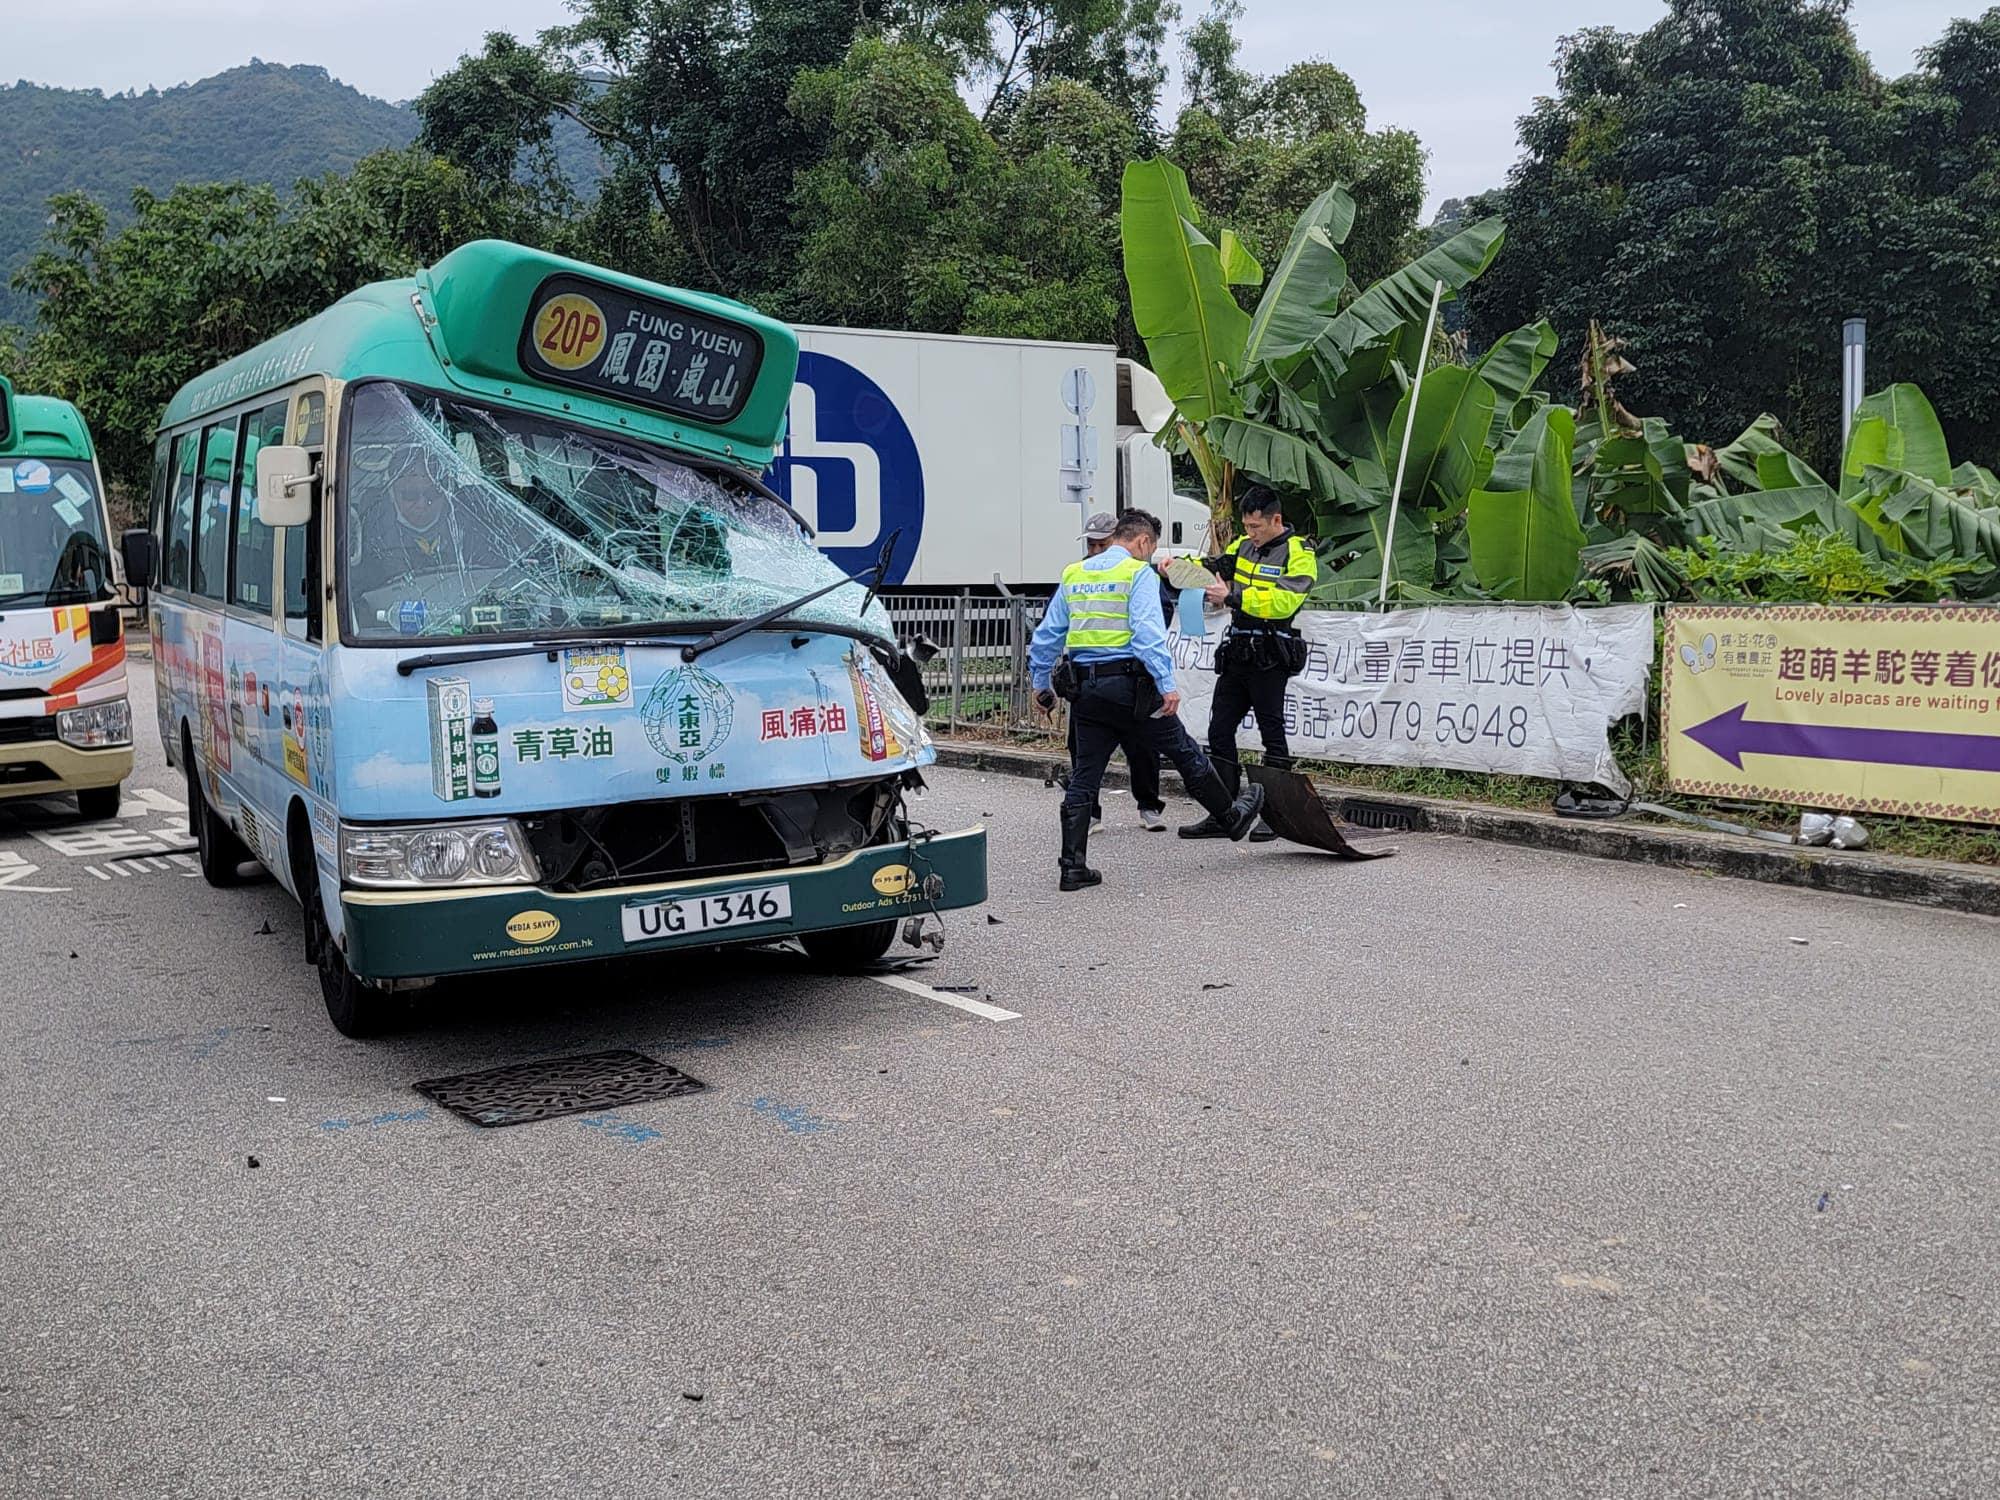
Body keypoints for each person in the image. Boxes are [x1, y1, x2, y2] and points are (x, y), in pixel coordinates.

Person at [1029, 511, 1265, 891]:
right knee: (1185, 751)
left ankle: (1073, 867)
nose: (1148, 554)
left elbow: (1046, 637)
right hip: (1132, 689)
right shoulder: (1137, 574)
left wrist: (1041, 686)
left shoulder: (1074, 573)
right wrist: (1167, 683)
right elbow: (1147, 633)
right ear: (1142, 542)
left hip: (1086, 692)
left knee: (1086, 774)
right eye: (1150, 547)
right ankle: (1232, 817)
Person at [1176, 485, 1319, 842]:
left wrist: (1234, 596)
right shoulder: (1241, 547)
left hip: (1271, 653)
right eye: (1247, 526)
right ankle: (1224, 811)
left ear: (1276, 520)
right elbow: (1211, 568)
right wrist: (1175, 568)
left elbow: (1286, 601)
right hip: (1238, 652)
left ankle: (1275, 814)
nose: (1251, 534)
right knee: (1219, 730)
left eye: (1256, 527)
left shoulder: (1298, 552)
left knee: (1272, 733)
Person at [1067, 511, 1167, 833]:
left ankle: (1149, 805)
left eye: (1101, 544)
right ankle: (1087, 814)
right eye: (1091, 544)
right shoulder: (1078, 573)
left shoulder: (1139, 573)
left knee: (1142, 747)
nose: (1095, 550)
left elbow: (1156, 619)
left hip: (1131, 678)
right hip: (1087, 678)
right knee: (1082, 753)